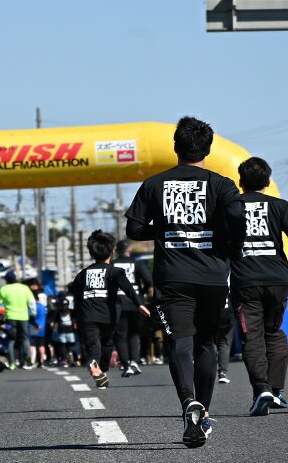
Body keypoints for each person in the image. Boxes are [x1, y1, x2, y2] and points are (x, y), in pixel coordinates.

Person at [124, 116, 246, 448]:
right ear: (208, 148)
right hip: (212, 277)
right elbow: (237, 219)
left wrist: (162, 229)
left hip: (172, 277)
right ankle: (202, 412)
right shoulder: (222, 185)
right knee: (206, 342)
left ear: (175, 147)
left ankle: (187, 401)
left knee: (180, 341)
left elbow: (134, 230)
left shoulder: (154, 184)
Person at [229, 157, 288, 415]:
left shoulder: (232, 206)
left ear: (240, 181)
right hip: (277, 278)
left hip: (245, 279)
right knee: (274, 332)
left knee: (252, 336)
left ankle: (261, 388)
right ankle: (275, 391)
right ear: (268, 181)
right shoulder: (281, 206)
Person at [72, 230, 151, 390]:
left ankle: (95, 366)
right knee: (107, 343)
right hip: (108, 315)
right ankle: (103, 370)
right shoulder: (114, 271)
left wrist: (75, 317)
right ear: (111, 251)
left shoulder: (82, 274)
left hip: (87, 314)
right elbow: (128, 287)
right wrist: (139, 304)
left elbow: (77, 297)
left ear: (91, 252)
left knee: (93, 344)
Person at [112, 239, 153, 377]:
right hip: (136, 303)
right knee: (134, 334)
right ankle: (135, 361)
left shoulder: (112, 265)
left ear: (116, 252)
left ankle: (126, 364)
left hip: (118, 303)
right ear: (129, 251)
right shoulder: (137, 264)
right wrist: (141, 292)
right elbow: (148, 281)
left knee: (120, 336)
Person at [0, 271, 35, 369]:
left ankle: (12, 363)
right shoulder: (24, 288)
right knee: (25, 339)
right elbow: (31, 302)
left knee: (11, 339)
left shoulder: (4, 289)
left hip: (10, 317)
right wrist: (33, 314)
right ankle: (27, 362)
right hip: (23, 316)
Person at [50, 298, 77, 367]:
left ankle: (64, 360)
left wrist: (53, 325)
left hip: (62, 330)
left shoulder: (58, 311)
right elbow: (75, 321)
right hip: (70, 330)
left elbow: (53, 322)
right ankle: (70, 357)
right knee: (70, 345)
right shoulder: (72, 311)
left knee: (62, 345)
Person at [216, 296, 235, 384]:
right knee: (225, 342)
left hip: (212, 310)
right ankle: (222, 372)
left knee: (207, 342)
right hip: (228, 311)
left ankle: (206, 373)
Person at [30, 293, 48, 367]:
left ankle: (32, 361)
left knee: (32, 345)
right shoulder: (43, 307)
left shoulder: (33, 307)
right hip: (42, 328)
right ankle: (42, 362)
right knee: (41, 345)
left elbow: (31, 317)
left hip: (33, 327)